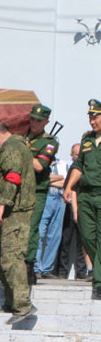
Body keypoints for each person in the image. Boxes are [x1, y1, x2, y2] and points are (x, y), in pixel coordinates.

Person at [0, 121, 37, 321]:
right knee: (0, 256)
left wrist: (1, 205)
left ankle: (23, 305)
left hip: (15, 210)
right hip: (10, 210)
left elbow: (13, 177)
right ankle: (10, 301)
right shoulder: (12, 147)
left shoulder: (13, 147)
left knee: (12, 257)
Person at [64, 99, 101, 298]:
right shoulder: (87, 141)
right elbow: (78, 167)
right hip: (86, 195)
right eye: (90, 117)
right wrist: (69, 187)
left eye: (95, 117)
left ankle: (99, 281)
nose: (92, 121)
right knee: (87, 236)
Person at [24, 104, 61, 284]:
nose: (34, 123)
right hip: (17, 190)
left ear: (46, 122)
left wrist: (21, 152)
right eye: (32, 119)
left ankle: (29, 265)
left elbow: (39, 166)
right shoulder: (22, 137)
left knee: (31, 228)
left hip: (36, 190)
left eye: (38, 120)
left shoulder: (50, 141)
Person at [58, 143, 89, 280]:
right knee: (66, 240)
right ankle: (62, 271)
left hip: (85, 206)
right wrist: (74, 210)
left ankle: (82, 272)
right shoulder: (74, 167)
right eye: (75, 154)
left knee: (83, 241)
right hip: (71, 207)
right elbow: (69, 188)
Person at [34, 155, 67, 279]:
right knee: (40, 233)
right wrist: (58, 178)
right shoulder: (40, 163)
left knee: (55, 235)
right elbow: (41, 180)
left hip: (60, 199)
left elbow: (66, 181)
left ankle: (46, 268)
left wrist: (50, 179)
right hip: (45, 198)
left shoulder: (63, 164)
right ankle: (35, 267)